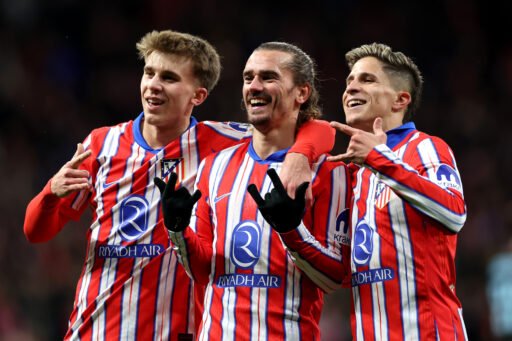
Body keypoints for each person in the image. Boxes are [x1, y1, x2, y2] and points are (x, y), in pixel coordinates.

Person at [23, 30, 336, 341]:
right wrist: (51, 192)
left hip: (177, 331)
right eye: (149, 73)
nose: (154, 85)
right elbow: (35, 231)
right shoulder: (102, 144)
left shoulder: (220, 144)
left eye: (169, 78)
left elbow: (314, 127)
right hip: (97, 327)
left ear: (198, 95)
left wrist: (299, 157)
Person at [156, 41, 351, 340]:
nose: (254, 86)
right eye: (248, 78)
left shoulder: (330, 173)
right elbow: (202, 270)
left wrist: (291, 231)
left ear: (302, 92)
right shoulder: (215, 167)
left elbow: (335, 276)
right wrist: (178, 231)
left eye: (268, 77)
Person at [328, 43, 468, 340]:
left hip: (429, 333)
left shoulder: (424, 147)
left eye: (367, 79)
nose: (351, 88)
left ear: (400, 100)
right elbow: (340, 272)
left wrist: (380, 159)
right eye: (349, 81)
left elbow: (454, 214)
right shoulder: (353, 174)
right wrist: (291, 231)